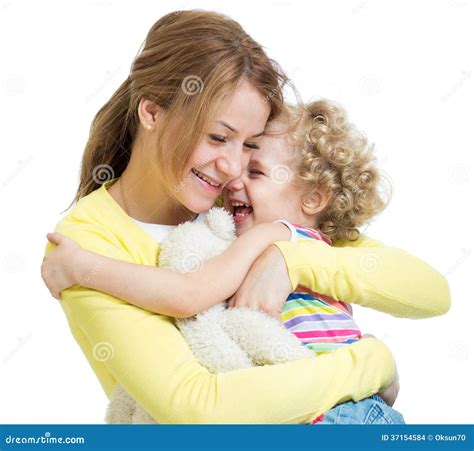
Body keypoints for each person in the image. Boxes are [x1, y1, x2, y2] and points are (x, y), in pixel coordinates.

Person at [41, 10, 450, 423]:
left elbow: (430, 292)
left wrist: (293, 260)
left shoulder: (243, 208)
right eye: (218, 137)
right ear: (151, 113)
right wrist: (370, 364)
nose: (234, 168)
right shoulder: (89, 239)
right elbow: (197, 407)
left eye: (251, 146)